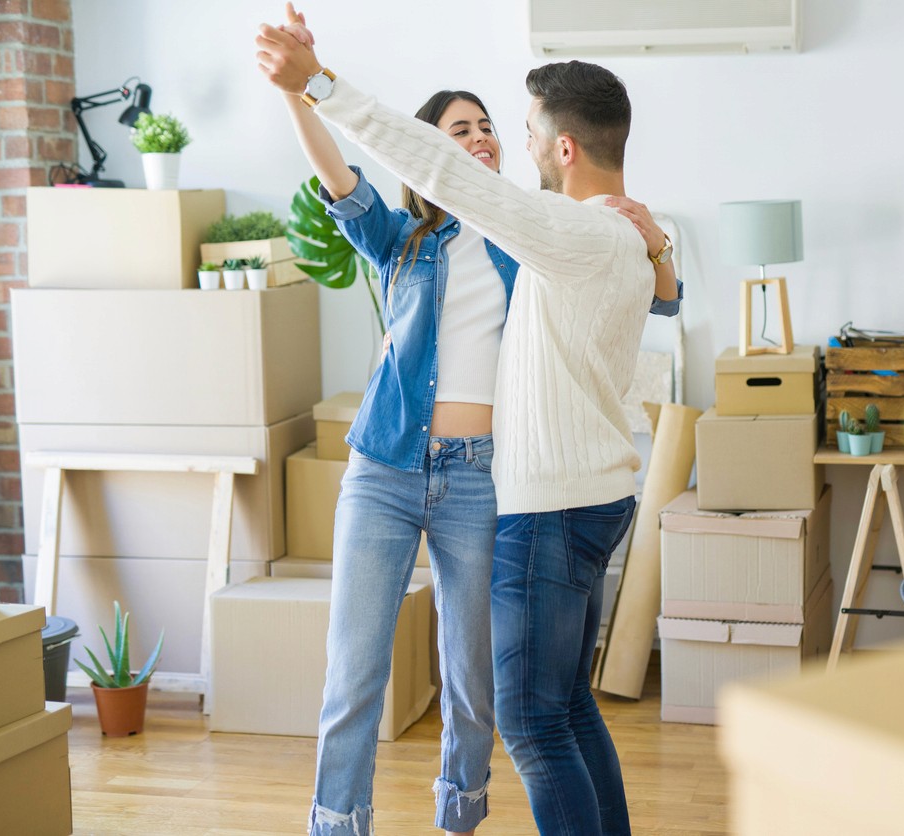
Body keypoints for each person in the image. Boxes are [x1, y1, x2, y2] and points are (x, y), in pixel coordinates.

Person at [263, 8, 681, 836]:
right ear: (432, 149)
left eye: (496, 127)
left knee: (478, 683)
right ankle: (336, 823)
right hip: (387, 464)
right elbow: (349, 174)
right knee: (355, 672)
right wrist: (297, 93)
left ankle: (459, 816)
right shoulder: (405, 242)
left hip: (483, 475)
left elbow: (658, 296)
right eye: (462, 129)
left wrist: (659, 245)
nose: (486, 138)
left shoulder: (525, 237)